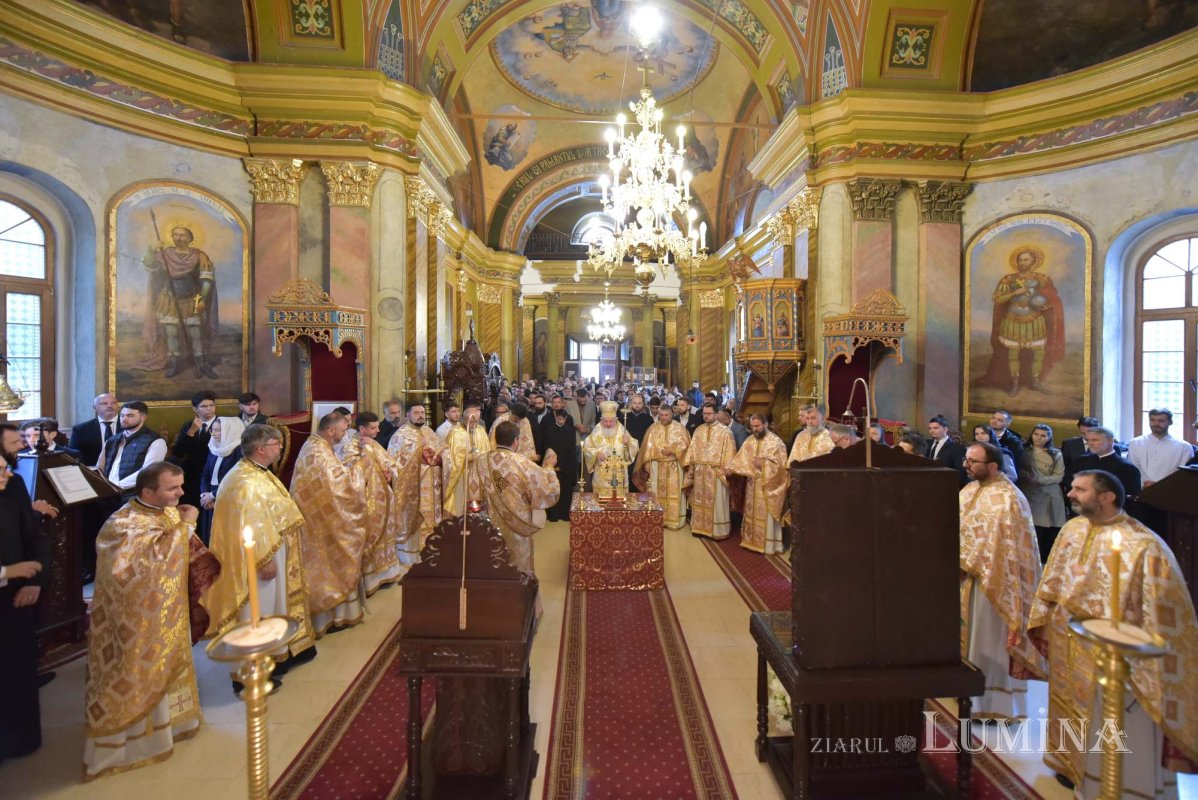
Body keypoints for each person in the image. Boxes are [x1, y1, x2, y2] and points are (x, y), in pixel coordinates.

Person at [1028, 470, 1198, 797]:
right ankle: (1069, 766)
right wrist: (1045, 617)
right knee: (1069, 705)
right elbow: (1053, 579)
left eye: (1080, 489)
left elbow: (1164, 611)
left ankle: (1113, 784)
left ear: (1107, 497)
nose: (1071, 494)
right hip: (1069, 640)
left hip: (1114, 652)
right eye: (1073, 488)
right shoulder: (1072, 529)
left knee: (1108, 717)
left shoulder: (1144, 545)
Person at [83, 462, 201, 780]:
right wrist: (187, 527)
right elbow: (140, 571)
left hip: (167, 611)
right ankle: (131, 744)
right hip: (135, 621)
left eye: (180, 486)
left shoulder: (167, 512)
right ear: (148, 491)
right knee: (136, 670)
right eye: (172, 488)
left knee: (169, 665)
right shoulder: (124, 523)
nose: (180, 493)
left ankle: (175, 725)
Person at [202, 425, 317, 689]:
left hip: (272, 552)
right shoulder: (244, 482)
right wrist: (263, 560)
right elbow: (250, 526)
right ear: (261, 448)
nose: (280, 448)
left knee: (271, 609)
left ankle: (278, 657)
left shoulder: (257, 471)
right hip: (258, 560)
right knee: (258, 611)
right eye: (276, 444)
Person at [958, 442, 1046, 723]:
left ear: (993, 466)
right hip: (968, 578)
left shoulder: (1008, 499)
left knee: (989, 639)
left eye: (973, 461)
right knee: (970, 637)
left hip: (996, 583)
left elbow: (998, 546)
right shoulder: (970, 490)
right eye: (967, 460)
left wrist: (963, 560)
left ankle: (994, 703)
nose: (966, 465)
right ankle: (966, 696)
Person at [290, 412, 367, 637]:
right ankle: (328, 614)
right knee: (326, 564)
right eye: (343, 431)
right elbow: (341, 488)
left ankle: (338, 613)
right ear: (331, 430)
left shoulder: (317, 446)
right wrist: (361, 467)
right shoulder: (318, 452)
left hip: (321, 518)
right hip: (321, 523)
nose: (345, 434)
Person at [0, 456, 48, 765]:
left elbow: (36, 538)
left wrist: (36, 581)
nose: (9, 472)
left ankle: (19, 740)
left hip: (15, 600)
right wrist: (7, 572)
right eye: (1, 468)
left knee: (17, 670)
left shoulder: (9, 496)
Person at [476, 421, 559, 596]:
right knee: (519, 563)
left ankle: (493, 601)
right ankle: (521, 601)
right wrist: (550, 468)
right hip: (518, 523)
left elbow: (477, 491)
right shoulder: (522, 462)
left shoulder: (481, 461)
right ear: (516, 441)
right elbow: (547, 490)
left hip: (489, 523)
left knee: (494, 559)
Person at [980, 246, 1065, 396]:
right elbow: (997, 299)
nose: (1022, 262)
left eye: (1026, 259)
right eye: (1020, 260)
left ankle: (1036, 382)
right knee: (1013, 354)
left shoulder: (1043, 279)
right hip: (1013, 320)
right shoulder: (1008, 279)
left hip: (1035, 320)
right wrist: (1014, 292)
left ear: (1034, 261)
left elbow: (1052, 299)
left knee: (1038, 353)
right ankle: (1015, 384)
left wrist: (1045, 304)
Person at [388, 402, 446, 571]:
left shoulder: (429, 431)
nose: (421, 415)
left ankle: (432, 550)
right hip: (414, 489)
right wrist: (419, 455)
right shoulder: (400, 436)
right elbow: (394, 464)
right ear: (408, 415)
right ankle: (412, 554)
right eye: (416, 413)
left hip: (433, 487)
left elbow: (442, 449)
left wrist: (440, 456)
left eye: (422, 412)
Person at [354, 413, 403, 595]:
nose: (378, 430)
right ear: (362, 429)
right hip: (368, 501)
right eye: (374, 428)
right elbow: (353, 475)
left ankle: (387, 572)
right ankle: (371, 579)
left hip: (384, 497)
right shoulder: (351, 447)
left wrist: (390, 472)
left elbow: (391, 462)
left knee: (387, 535)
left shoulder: (373, 443)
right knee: (372, 537)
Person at [728, 414, 789, 554]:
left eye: (757, 426)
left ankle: (768, 545)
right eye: (752, 426)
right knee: (751, 513)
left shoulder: (776, 442)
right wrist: (730, 469)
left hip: (768, 487)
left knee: (765, 515)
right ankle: (751, 541)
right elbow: (739, 460)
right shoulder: (750, 440)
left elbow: (782, 468)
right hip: (751, 485)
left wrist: (764, 463)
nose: (754, 429)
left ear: (765, 425)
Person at [683, 401, 736, 539]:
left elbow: (730, 452)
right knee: (699, 500)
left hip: (716, 472)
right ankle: (700, 528)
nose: (705, 416)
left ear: (716, 414)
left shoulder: (725, 432)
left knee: (716, 501)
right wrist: (691, 467)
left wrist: (726, 469)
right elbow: (693, 449)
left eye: (708, 414)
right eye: (704, 414)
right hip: (700, 472)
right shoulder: (699, 430)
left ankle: (718, 530)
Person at [633, 404, 691, 530]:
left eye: (667, 415)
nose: (664, 418)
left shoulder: (680, 428)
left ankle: (675, 520)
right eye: (662, 415)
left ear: (672, 414)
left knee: (675, 493)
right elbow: (646, 447)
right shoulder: (653, 428)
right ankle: (656, 518)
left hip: (674, 466)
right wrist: (647, 462)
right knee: (655, 492)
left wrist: (673, 450)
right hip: (656, 466)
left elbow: (686, 446)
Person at [96, 401, 167, 496]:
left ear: (143, 417)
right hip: (108, 494)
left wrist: (116, 486)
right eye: (122, 415)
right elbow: (100, 466)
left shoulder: (156, 441)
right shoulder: (112, 440)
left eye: (130, 416)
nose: (124, 419)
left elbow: (148, 472)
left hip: (133, 494)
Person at [1018, 423, 1066, 562]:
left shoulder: (1056, 454)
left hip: (1049, 492)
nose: (1039, 438)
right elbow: (1018, 470)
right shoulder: (1024, 452)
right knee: (1032, 526)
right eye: (1036, 434)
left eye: (1043, 435)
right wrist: (1027, 476)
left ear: (1049, 437)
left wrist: (1040, 480)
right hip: (1029, 492)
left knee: (1049, 527)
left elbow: (1059, 475)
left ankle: (1046, 559)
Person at [198, 416, 245, 545]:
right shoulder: (213, 447)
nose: (213, 434)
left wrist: (213, 495)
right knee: (209, 536)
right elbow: (205, 475)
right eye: (213, 430)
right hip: (208, 500)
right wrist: (204, 495)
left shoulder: (238, 451)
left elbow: (236, 478)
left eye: (218, 430)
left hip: (227, 498)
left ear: (230, 431)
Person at [443, 401, 491, 516]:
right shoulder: (455, 433)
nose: (474, 423)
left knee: (478, 508)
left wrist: (481, 457)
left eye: (477, 421)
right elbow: (451, 459)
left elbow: (487, 451)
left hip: (479, 476)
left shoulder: (480, 430)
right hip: (462, 477)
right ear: (464, 419)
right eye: (472, 421)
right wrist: (469, 457)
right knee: (462, 508)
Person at [171, 391, 217, 507]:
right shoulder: (188, 425)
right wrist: (191, 432)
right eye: (204, 406)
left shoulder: (222, 424)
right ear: (195, 409)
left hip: (213, 475)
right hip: (192, 476)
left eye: (211, 405)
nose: (209, 409)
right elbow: (178, 452)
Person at [1127, 408, 1192, 488]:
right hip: (1141, 490)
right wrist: (1145, 484)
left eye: (1161, 421)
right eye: (1152, 420)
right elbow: (1133, 468)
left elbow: (1183, 473)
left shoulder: (1184, 447)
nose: (1156, 424)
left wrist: (1159, 486)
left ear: (1170, 422)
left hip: (1171, 490)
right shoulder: (1135, 443)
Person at [582, 401, 639, 493]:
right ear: (601, 419)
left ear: (615, 419)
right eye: (605, 421)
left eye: (611, 421)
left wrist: (628, 442)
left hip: (619, 471)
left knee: (619, 498)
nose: (608, 424)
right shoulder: (597, 430)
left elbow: (634, 445)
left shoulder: (622, 429)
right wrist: (596, 453)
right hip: (602, 471)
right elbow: (587, 447)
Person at [1071, 426, 1141, 499]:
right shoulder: (1080, 462)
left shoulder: (1127, 467)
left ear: (1110, 441)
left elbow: (1133, 496)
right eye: (1088, 440)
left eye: (1095, 440)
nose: (1090, 443)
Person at [542, 408, 579, 522]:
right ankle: (553, 515)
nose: (561, 421)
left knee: (565, 491)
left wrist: (563, 466)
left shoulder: (570, 431)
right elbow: (547, 449)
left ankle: (565, 514)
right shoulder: (549, 430)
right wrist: (553, 465)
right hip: (552, 466)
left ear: (566, 418)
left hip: (566, 468)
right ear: (555, 418)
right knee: (554, 491)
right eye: (559, 419)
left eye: (563, 419)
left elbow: (571, 451)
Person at [70, 392, 120, 468]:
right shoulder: (81, 429)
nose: (110, 406)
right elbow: (74, 455)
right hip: (93, 472)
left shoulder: (129, 426)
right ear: (94, 408)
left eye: (113, 403)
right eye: (104, 403)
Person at [926, 414, 967, 485]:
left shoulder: (957, 448)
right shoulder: (926, 444)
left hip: (946, 485)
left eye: (935, 428)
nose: (932, 431)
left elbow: (960, 473)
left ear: (945, 429)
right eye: (930, 428)